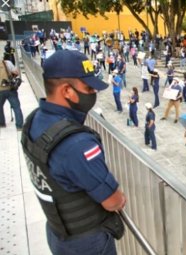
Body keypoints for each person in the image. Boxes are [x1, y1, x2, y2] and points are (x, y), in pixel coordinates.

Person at [20, 50, 126, 254]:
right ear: (67, 91)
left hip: (57, 232)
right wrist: (119, 198)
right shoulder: (77, 144)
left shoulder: (33, 120)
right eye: (88, 88)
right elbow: (114, 201)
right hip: (87, 244)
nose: (93, 93)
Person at [0, 57, 24, 130]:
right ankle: (19, 126)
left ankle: (2, 123)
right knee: (16, 107)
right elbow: (16, 72)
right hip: (10, 89)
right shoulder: (7, 63)